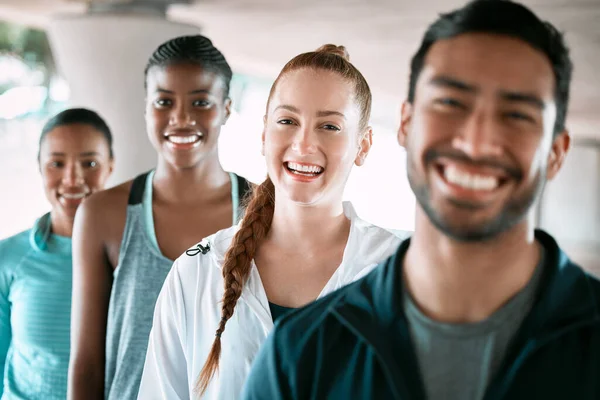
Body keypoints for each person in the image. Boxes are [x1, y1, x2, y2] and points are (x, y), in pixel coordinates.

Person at [242, 1, 600, 399]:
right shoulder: (299, 353)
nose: (476, 141)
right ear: (407, 124)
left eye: (516, 115)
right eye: (450, 103)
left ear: (556, 152)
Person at [137, 44, 411, 399]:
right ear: (265, 133)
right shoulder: (198, 270)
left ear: (363, 145)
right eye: (288, 121)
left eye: (329, 126)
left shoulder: (399, 271)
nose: (304, 144)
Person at [67, 35, 251, 400]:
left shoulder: (263, 210)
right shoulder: (102, 214)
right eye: (164, 101)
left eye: (201, 102)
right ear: (146, 108)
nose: (181, 118)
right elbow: (87, 364)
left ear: (227, 109)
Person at [0, 108, 114, 399]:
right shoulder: (9, 257)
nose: (73, 179)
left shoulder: (133, 257)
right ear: (39, 167)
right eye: (57, 163)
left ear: (110, 166)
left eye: (89, 162)